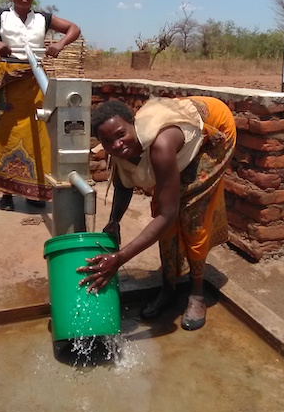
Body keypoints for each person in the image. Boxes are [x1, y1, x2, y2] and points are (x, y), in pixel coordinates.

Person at [78, 95, 236, 330]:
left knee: (191, 215)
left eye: (121, 134)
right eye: (108, 142)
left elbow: (168, 214)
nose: (117, 145)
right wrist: (114, 221)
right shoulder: (120, 149)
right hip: (181, 128)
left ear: (133, 124)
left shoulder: (161, 144)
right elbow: (123, 184)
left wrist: (120, 258)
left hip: (215, 130)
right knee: (162, 212)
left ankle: (196, 294)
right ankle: (169, 289)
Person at [0, 0, 81, 211]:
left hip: (36, 81)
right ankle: (6, 192)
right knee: (6, 134)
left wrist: (60, 44)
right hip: (9, 82)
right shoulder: (0, 16)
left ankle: (34, 192)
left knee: (39, 133)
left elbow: (73, 29)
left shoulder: (43, 19)